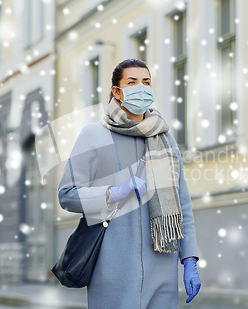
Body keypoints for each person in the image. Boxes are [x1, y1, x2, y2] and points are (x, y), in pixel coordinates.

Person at [58, 58, 201, 308]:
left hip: (162, 269)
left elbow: (182, 205)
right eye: (132, 82)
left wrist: (189, 259)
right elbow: (67, 195)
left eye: (146, 82)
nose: (141, 88)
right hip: (112, 268)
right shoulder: (93, 135)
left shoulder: (165, 140)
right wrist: (113, 193)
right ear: (117, 91)